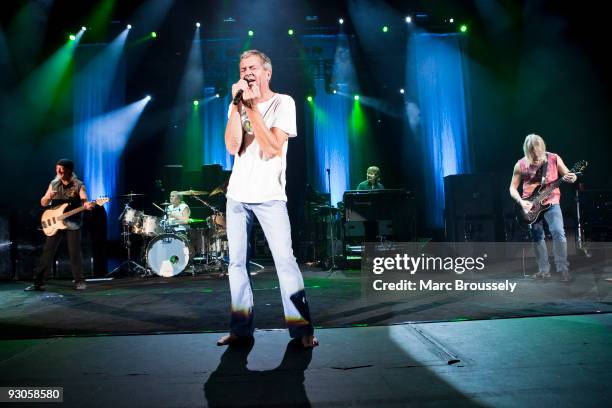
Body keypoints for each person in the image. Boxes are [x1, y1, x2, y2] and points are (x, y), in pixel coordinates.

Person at [220, 49, 317, 348]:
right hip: (237, 196)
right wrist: (237, 107)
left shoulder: (283, 102)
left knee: (285, 262)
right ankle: (240, 329)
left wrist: (251, 108)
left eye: (252, 67)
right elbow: (232, 145)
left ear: (267, 72)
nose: (246, 72)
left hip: (270, 197)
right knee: (236, 264)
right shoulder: (235, 104)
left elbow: (273, 147)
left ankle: (302, 331)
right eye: (242, 68)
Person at [509, 134, 577, 282]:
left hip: (552, 201)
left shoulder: (553, 158)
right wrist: (521, 201)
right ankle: (543, 270)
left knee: (558, 232)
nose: (536, 159)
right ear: (527, 152)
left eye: (538, 155)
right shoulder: (520, 165)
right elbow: (512, 188)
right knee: (537, 236)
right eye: (533, 156)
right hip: (530, 205)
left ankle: (562, 269)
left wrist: (573, 177)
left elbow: (568, 174)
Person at [25, 159, 94, 291]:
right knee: (47, 252)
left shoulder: (78, 185)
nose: (58, 172)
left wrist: (87, 205)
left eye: (61, 169)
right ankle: (38, 282)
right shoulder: (54, 184)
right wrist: (48, 197)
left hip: (72, 223)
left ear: (69, 170)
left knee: (74, 253)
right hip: (55, 222)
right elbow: (43, 203)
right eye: (57, 169)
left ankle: (79, 281)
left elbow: (85, 200)